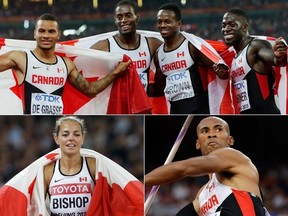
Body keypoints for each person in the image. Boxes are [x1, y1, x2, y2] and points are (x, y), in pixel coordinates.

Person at [0, 13, 131, 114]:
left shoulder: (66, 64)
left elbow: (90, 90)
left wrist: (114, 73)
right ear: (35, 33)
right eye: (41, 31)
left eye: (51, 31)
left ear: (58, 35)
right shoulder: (20, 58)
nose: (46, 35)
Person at [145, 116, 269, 215]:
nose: (212, 134)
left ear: (230, 140)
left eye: (218, 129)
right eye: (205, 131)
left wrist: (140, 182)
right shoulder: (203, 194)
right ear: (198, 144)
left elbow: (184, 168)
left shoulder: (235, 157)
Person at [149, 3, 229, 114]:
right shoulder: (159, 54)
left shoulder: (192, 46)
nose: (162, 25)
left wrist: (221, 72)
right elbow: (158, 90)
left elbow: (219, 71)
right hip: (175, 113)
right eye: (159, 21)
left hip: (199, 112)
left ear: (178, 24)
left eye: (167, 21)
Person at [90, 0, 164, 113]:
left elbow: (173, 49)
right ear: (115, 20)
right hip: (117, 108)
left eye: (128, 15)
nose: (124, 20)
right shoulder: (104, 46)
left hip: (142, 108)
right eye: (119, 17)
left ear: (137, 17)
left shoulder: (152, 44)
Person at [221, 8, 287, 114]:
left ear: (245, 27)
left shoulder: (255, 46)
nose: (226, 29)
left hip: (267, 117)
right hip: (249, 120)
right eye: (224, 25)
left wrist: (279, 56)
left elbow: (277, 61)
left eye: (232, 24)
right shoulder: (233, 58)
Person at [44, 116, 95, 215]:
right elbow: (36, 206)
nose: (71, 138)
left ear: (82, 138)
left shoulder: (93, 166)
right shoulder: (48, 171)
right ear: (56, 138)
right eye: (65, 134)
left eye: (76, 134)